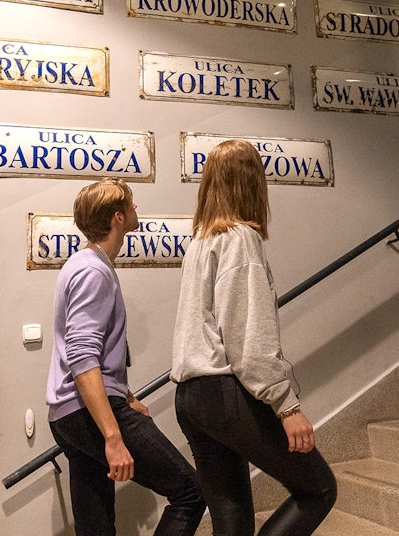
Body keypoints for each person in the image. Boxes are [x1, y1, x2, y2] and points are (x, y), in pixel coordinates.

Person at [171, 140, 337, 536]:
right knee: (319, 489)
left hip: (190, 397)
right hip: (223, 393)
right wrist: (287, 406)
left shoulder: (199, 243)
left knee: (232, 522)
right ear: (252, 183)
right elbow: (248, 339)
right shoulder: (241, 239)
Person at [46, 178, 205, 536]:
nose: (137, 209)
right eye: (131, 205)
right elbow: (82, 355)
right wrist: (113, 435)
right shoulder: (93, 270)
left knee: (96, 527)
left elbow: (94, 352)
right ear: (118, 217)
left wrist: (127, 395)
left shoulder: (85, 264)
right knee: (191, 493)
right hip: (87, 412)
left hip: (69, 416)